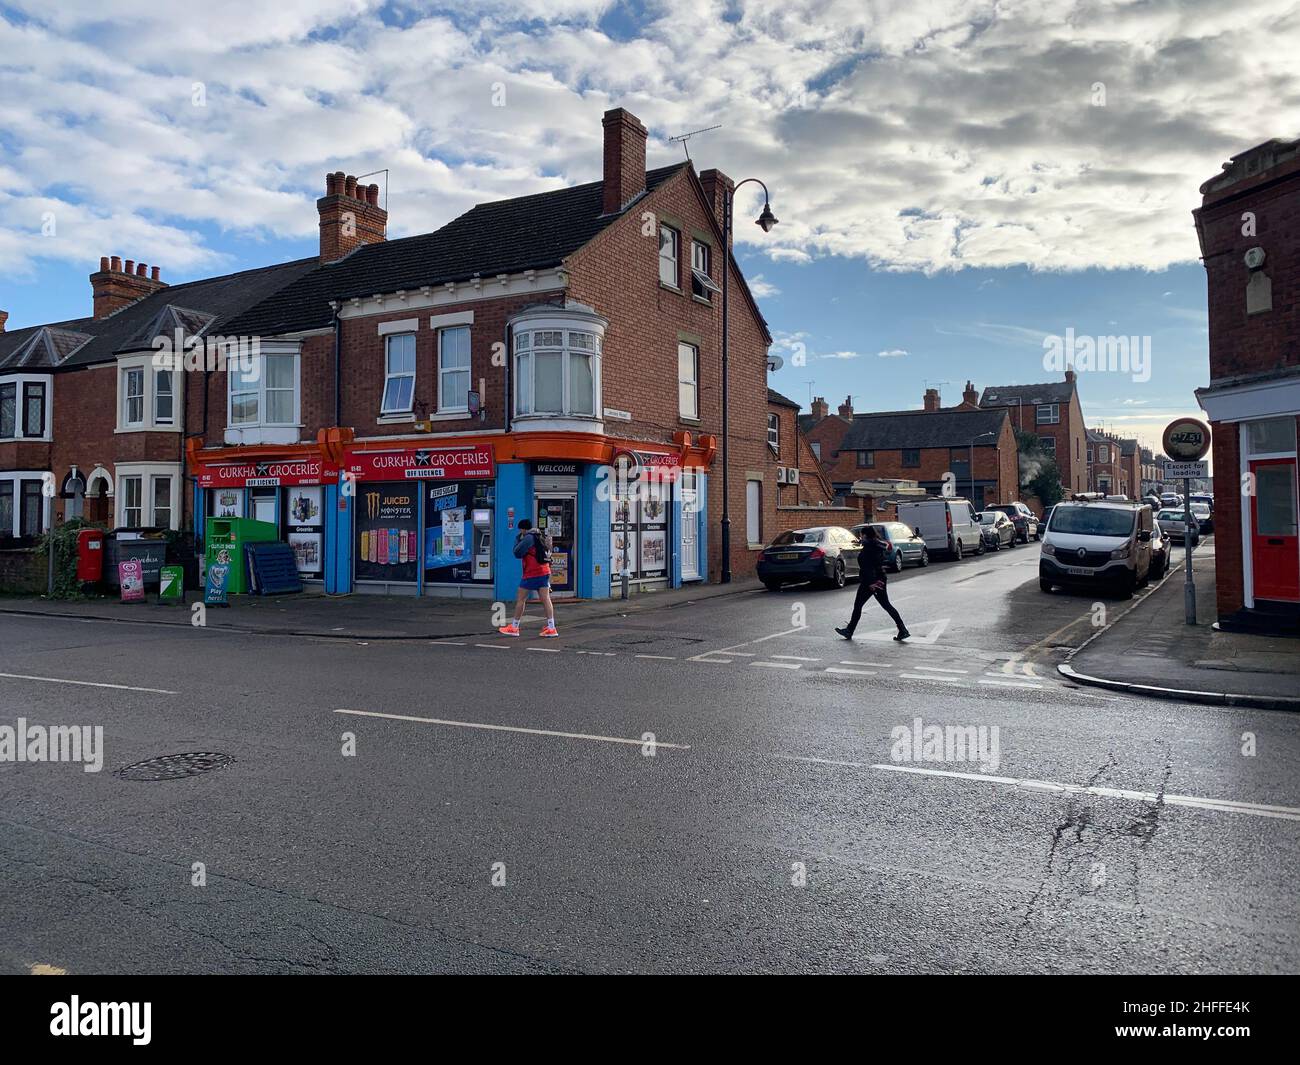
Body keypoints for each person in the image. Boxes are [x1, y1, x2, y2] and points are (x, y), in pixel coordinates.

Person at [836, 524, 910, 641]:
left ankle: (849, 630)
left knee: (858, 606)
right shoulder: (877, 545)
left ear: (865, 535)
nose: (861, 537)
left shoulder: (869, 548)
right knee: (886, 605)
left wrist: (871, 583)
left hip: (870, 581)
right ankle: (902, 629)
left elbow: (868, 566)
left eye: (861, 535)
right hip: (880, 578)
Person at [498, 519, 558, 638]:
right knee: (546, 599)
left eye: (520, 529)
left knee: (521, 599)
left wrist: (517, 538)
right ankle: (551, 628)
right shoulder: (539, 535)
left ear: (523, 529)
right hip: (545, 570)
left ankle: (514, 627)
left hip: (532, 572)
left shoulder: (528, 538)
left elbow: (517, 552)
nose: (520, 531)